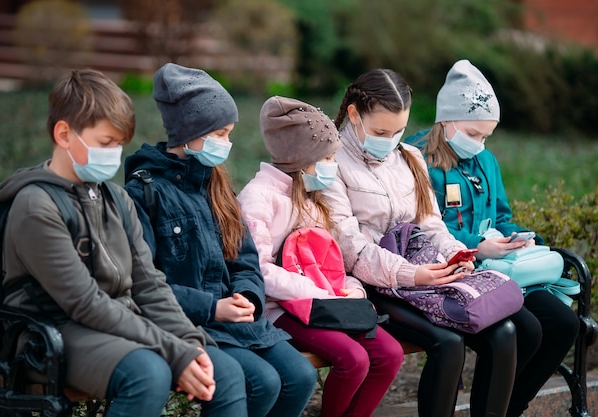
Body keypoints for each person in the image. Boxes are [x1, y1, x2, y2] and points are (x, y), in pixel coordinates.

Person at [0, 68, 247, 417]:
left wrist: (191, 343)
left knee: (225, 371)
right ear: (64, 134)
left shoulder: (116, 199)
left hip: (119, 322)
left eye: (118, 144)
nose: (114, 154)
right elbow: (85, 303)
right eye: (104, 143)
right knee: (148, 374)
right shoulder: (36, 206)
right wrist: (174, 351)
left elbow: (150, 284)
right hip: (51, 332)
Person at [321, 67, 534, 417]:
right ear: (354, 114)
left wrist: (456, 254)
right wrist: (413, 275)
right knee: (448, 344)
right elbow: (351, 249)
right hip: (372, 283)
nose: (390, 140)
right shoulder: (332, 164)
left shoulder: (409, 157)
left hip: (425, 273)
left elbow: (431, 224)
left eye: (398, 130)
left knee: (505, 332)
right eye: (380, 131)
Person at [124, 64, 317, 417]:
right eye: (221, 134)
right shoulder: (144, 194)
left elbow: (245, 258)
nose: (227, 144)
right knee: (262, 382)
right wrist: (213, 307)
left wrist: (247, 296)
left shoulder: (216, 185)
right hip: (193, 322)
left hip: (238, 318)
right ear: (189, 131)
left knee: (301, 376)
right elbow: (145, 282)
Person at [405, 59, 580, 417]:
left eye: (486, 136)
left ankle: (509, 408)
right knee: (523, 331)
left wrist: (519, 238)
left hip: (499, 268)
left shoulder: (486, 161)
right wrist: (476, 244)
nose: (480, 144)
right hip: (454, 271)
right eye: (473, 133)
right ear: (447, 120)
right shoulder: (417, 157)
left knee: (564, 325)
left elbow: (500, 215)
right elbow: (419, 227)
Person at [237, 96, 404, 417]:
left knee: (389, 353)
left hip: (326, 305)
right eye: (328, 157)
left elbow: (331, 263)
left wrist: (351, 288)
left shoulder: (313, 199)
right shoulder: (259, 198)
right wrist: (316, 292)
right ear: (300, 157)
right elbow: (257, 270)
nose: (333, 165)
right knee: (352, 359)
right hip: (281, 308)